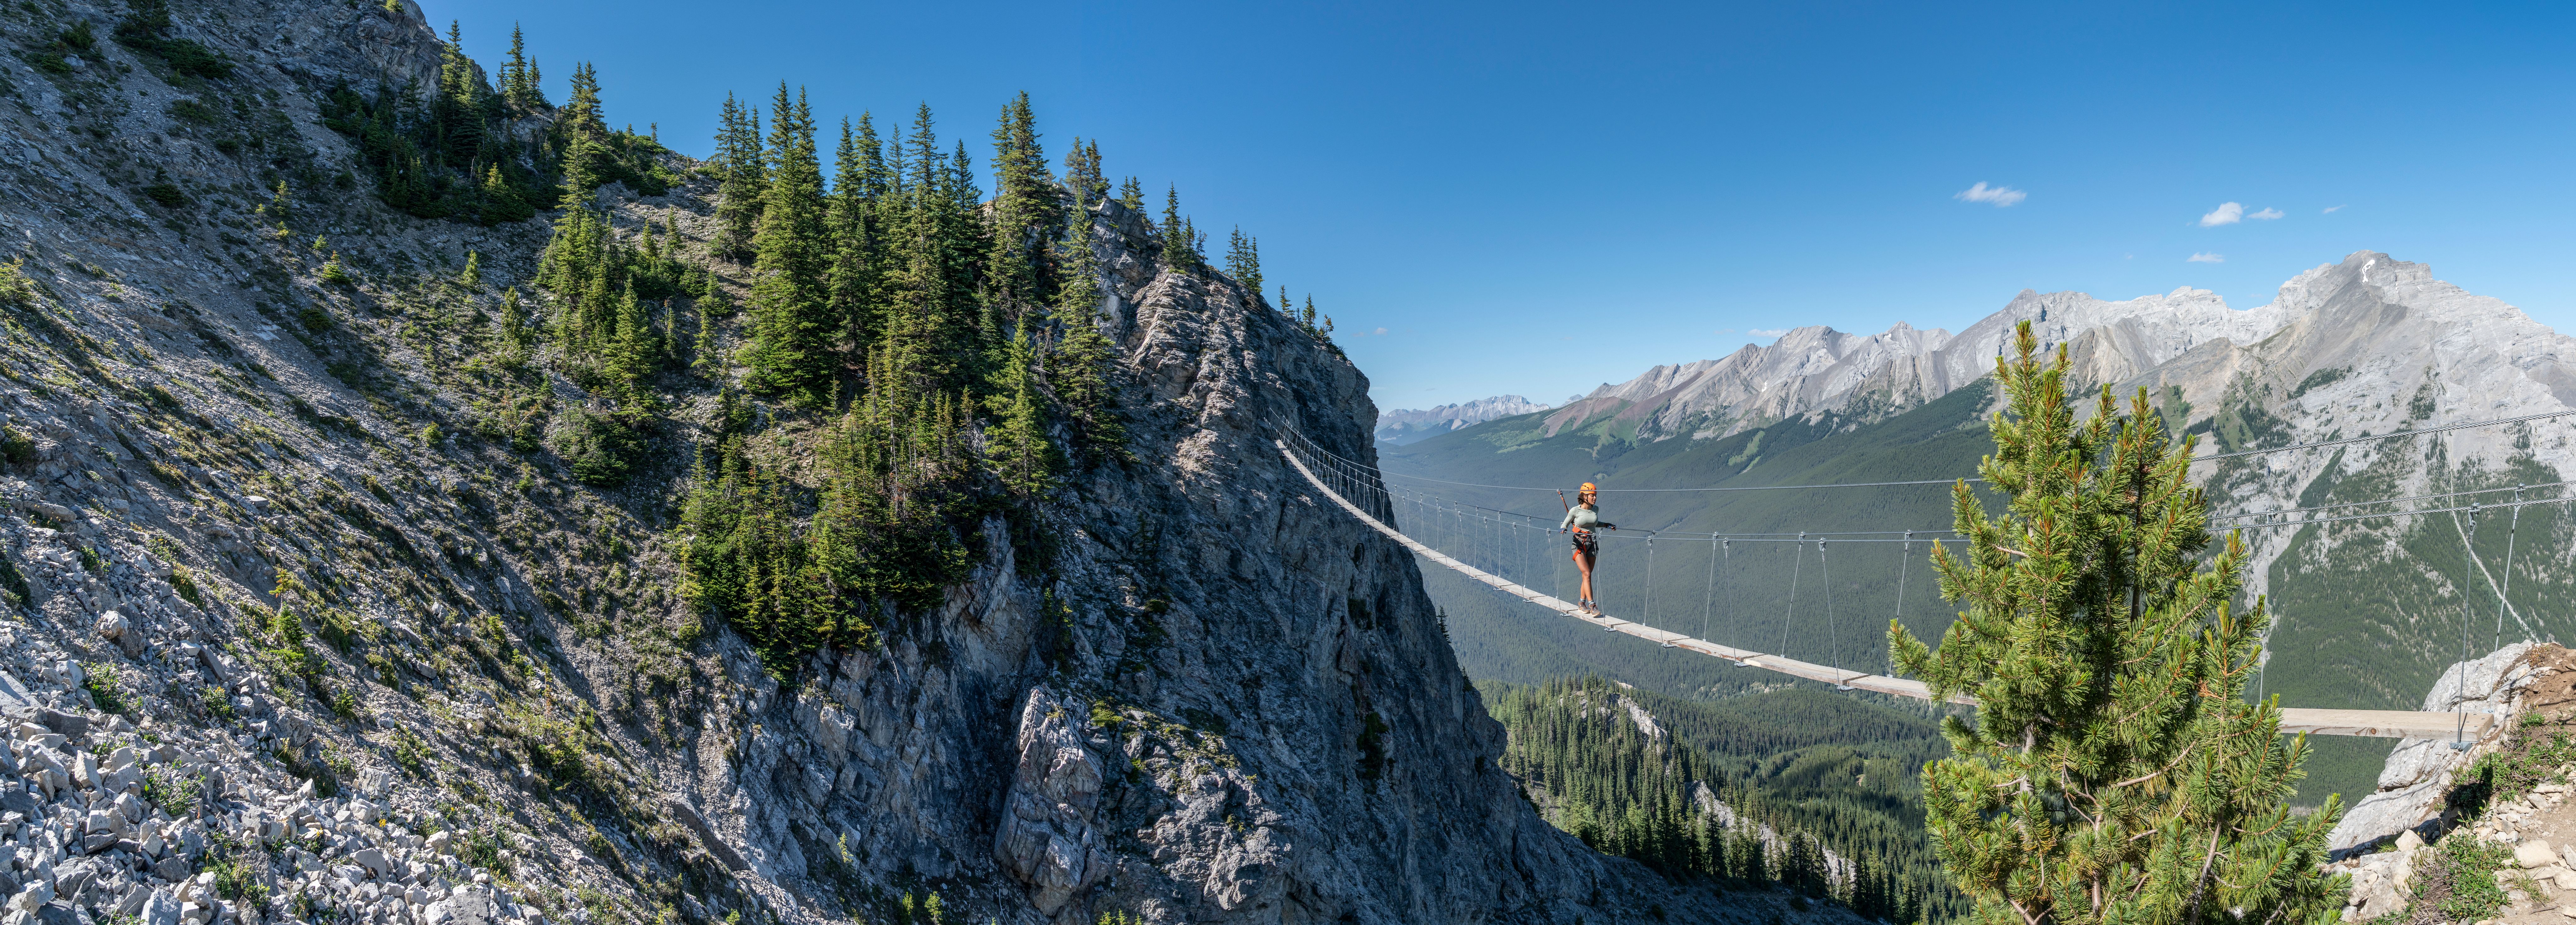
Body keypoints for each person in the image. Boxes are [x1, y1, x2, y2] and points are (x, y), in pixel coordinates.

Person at [1559, 483, 1616, 613]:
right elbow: (1566, 522)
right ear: (1584, 496)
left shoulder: (1595, 509)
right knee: (1587, 574)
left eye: (1595, 496)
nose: (1595, 498)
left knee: (1587, 576)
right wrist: (1564, 528)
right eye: (1592, 496)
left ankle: (1581, 603)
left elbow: (1595, 524)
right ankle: (1592, 605)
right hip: (1579, 544)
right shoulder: (1575, 511)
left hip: (1592, 545)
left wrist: (1606, 525)